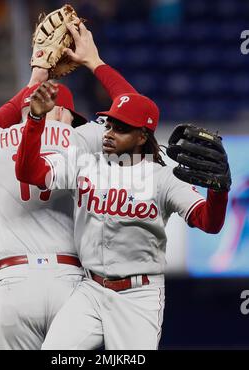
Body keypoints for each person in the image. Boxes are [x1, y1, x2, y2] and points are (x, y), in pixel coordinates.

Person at [15, 38, 229, 350]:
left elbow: (209, 223)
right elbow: (29, 173)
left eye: (121, 128)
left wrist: (218, 193)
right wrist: (34, 119)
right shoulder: (86, 163)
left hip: (138, 296)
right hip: (90, 288)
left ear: (143, 135)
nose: (110, 132)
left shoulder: (164, 176)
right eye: (110, 123)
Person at [0, 20, 138, 350]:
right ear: (67, 114)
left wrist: (36, 77)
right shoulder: (87, 137)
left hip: (11, 282)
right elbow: (135, 111)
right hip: (70, 284)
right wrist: (94, 61)